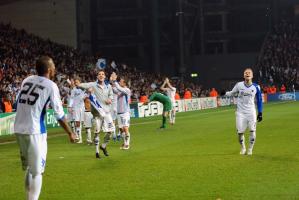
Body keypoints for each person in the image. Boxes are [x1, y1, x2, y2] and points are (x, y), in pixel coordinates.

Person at [14, 56, 77, 200]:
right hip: (35, 131)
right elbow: (59, 115)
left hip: (18, 128)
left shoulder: (27, 80)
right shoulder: (51, 85)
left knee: (30, 168)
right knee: (37, 172)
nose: (55, 69)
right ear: (49, 70)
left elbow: (19, 103)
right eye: (53, 66)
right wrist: (70, 133)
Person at [225, 68, 263, 155]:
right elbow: (232, 93)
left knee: (252, 131)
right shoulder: (239, 85)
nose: (247, 74)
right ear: (244, 75)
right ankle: (243, 148)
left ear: (252, 75)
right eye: (246, 73)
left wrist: (260, 112)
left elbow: (259, 100)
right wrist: (224, 93)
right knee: (240, 133)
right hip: (240, 113)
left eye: (249, 73)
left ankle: (250, 149)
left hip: (251, 113)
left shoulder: (256, 87)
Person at [79, 70, 115, 159]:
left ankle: (103, 146)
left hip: (106, 113)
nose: (101, 75)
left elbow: (111, 96)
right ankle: (97, 152)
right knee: (97, 133)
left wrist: (110, 100)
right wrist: (78, 84)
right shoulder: (93, 85)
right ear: (97, 76)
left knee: (110, 131)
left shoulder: (108, 86)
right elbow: (82, 86)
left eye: (103, 74)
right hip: (97, 114)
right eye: (99, 74)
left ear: (105, 76)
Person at [110, 72, 131, 150]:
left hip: (125, 112)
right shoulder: (120, 90)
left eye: (121, 81)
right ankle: (124, 142)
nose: (119, 82)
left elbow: (119, 88)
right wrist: (112, 81)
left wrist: (115, 81)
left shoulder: (127, 90)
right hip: (119, 113)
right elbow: (114, 90)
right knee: (121, 129)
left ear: (124, 83)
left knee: (125, 128)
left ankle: (127, 144)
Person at [69, 77, 86, 143]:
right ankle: (79, 138)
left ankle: (81, 137)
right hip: (76, 108)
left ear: (80, 83)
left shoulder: (84, 89)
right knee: (77, 122)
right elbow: (71, 98)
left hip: (82, 107)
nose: (76, 83)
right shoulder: (73, 90)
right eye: (75, 82)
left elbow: (88, 93)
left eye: (77, 82)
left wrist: (85, 96)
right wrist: (70, 107)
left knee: (81, 123)